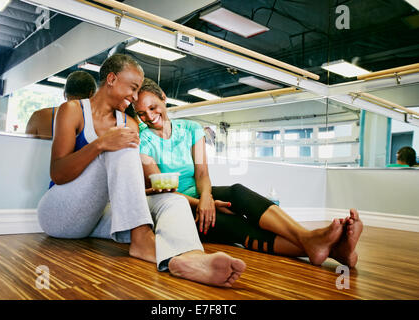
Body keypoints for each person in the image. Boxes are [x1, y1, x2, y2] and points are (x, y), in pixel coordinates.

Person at [37, 54, 245, 288]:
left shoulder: (130, 123)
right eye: (133, 88)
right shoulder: (73, 110)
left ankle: (191, 259)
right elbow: (58, 173)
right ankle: (142, 240)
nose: (135, 97)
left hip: (98, 216)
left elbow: (125, 185)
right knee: (121, 148)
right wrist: (101, 144)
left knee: (170, 201)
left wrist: (152, 190)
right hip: (59, 215)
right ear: (112, 79)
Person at [135, 78, 364, 268]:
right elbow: (163, 191)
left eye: (153, 107)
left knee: (238, 192)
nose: (149, 116)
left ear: (164, 98)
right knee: (238, 227)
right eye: (141, 113)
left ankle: (317, 243)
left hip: (200, 196)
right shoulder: (143, 142)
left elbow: (202, 173)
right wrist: (202, 205)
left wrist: (207, 198)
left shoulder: (191, 128)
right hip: (177, 210)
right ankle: (329, 247)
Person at [25, 71, 97, 139]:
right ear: (91, 94)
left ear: (64, 94)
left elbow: (23, 147)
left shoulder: (38, 116)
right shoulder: (97, 122)